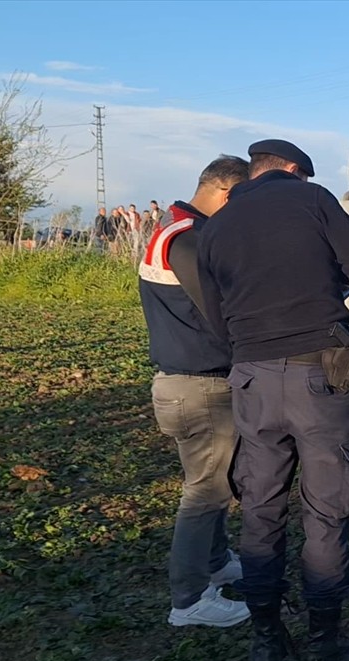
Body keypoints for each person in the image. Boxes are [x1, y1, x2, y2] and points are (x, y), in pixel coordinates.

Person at [198, 139, 349, 661]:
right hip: (317, 375)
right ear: (294, 171)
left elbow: (215, 316)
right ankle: (326, 642)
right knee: (325, 510)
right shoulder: (313, 199)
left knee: (260, 508)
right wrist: (325, 291)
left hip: (251, 379)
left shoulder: (216, 228)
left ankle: (267, 643)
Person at [138, 155, 251, 628]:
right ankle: (189, 601)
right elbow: (222, 313)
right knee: (204, 491)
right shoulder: (187, 239)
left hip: (189, 382)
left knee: (215, 482)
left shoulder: (175, 226)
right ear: (226, 193)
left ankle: (214, 562)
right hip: (198, 385)